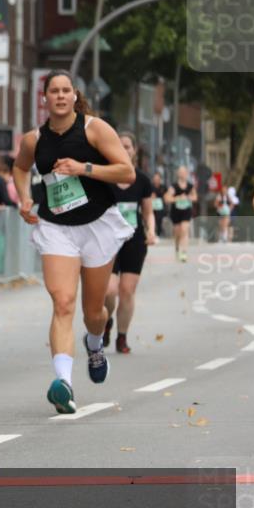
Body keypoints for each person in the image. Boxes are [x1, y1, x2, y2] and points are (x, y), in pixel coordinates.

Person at [12, 69, 135, 415]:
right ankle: (63, 384)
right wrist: (24, 198)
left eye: (66, 90)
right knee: (63, 303)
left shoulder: (95, 128)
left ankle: (95, 342)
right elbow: (20, 168)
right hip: (56, 227)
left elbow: (127, 172)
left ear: (74, 96)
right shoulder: (34, 140)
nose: (61, 96)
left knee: (92, 312)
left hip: (96, 224)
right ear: (45, 98)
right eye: (54, 91)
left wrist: (85, 169)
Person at [103, 131, 157, 354]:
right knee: (109, 290)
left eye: (127, 146)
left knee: (126, 290)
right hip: (107, 240)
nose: (124, 150)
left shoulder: (142, 179)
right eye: (119, 145)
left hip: (134, 240)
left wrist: (151, 231)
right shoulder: (105, 176)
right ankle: (105, 322)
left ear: (134, 150)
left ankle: (122, 337)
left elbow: (148, 211)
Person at [165, 165, 196, 262]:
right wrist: (177, 198)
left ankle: (184, 252)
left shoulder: (190, 186)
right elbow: (167, 198)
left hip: (186, 211)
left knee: (184, 229)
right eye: (181, 172)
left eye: (184, 172)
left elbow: (195, 197)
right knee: (178, 232)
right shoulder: (174, 187)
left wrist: (188, 198)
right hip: (176, 212)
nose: (183, 174)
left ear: (187, 174)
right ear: (178, 174)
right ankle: (177, 246)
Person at [150, 172, 166, 238]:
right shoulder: (150, 186)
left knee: (159, 220)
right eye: (155, 179)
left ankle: (159, 234)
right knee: (152, 219)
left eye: (157, 179)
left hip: (160, 207)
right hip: (152, 206)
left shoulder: (163, 187)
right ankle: (152, 233)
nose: (156, 180)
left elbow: (166, 196)